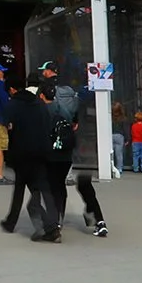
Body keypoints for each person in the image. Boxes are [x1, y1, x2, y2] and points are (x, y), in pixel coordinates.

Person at [36, 63, 107, 237]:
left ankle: (57, 220)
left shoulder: (46, 97)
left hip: (58, 148)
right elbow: (76, 117)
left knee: (57, 185)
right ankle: (98, 220)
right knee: (85, 184)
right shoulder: (73, 94)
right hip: (79, 144)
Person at [0, 80, 60, 242]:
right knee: (41, 188)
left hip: (21, 152)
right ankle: (53, 225)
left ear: (12, 90)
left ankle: (18, 223)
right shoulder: (39, 104)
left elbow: (7, 126)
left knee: (21, 188)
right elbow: (48, 124)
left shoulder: (13, 105)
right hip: (41, 151)